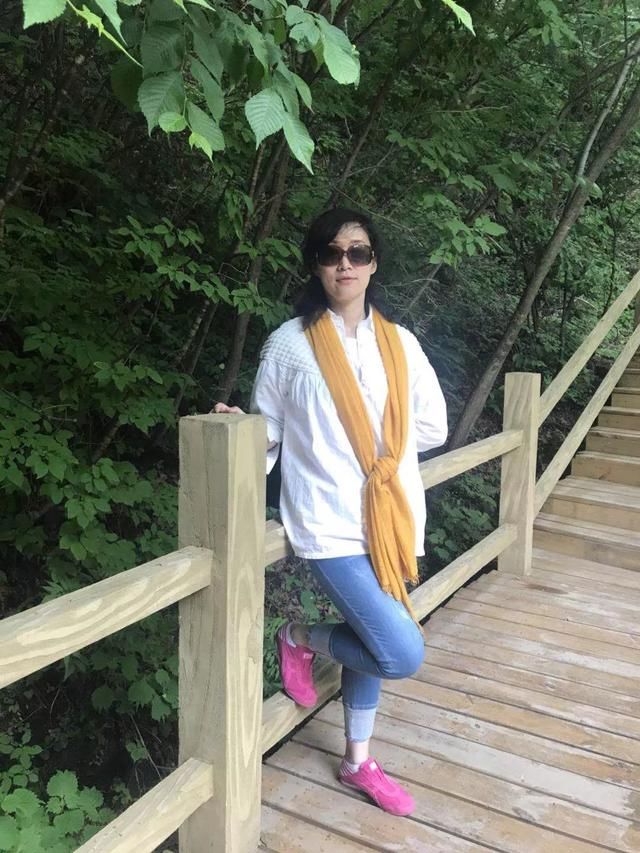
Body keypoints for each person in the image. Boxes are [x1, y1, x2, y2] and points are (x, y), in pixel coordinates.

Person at [213, 207, 447, 817]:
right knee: (401, 651)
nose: (345, 264)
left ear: (374, 263)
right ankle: (298, 636)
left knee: (372, 636)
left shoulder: (401, 344)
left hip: (387, 520)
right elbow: (268, 430)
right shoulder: (289, 345)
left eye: (358, 252)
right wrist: (241, 429)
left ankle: (357, 759)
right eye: (331, 253)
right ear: (316, 265)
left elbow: (432, 426)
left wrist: (376, 458)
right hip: (325, 520)